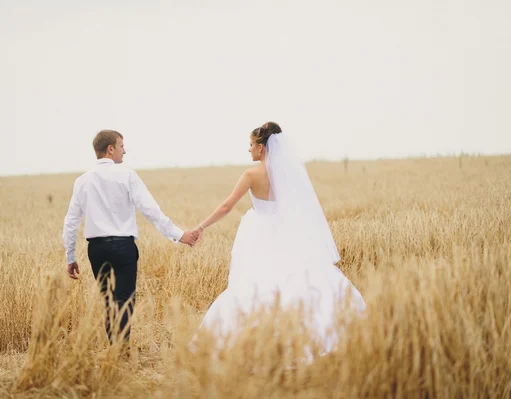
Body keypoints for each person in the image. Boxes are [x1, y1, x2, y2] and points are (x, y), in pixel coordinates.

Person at [191, 122, 365, 355]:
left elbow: (226, 206)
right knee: (295, 281)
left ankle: (259, 342)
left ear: (261, 147)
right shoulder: (288, 173)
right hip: (287, 232)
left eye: (251, 144)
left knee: (255, 284)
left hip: (259, 234)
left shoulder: (251, 174)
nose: (249, 149)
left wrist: (201, 226)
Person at [62, 129, 199, 345]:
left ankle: (115, 348)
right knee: (124, 300)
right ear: (110, 149)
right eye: (121, 146)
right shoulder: (127, 175)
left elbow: (70, 222)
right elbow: (150, 210)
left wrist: (70, 257)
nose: (124, 151)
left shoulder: (82, 181)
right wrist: (179, 235)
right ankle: (122, 348)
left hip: (96, 249)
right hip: (123, 247)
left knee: (108, 301)